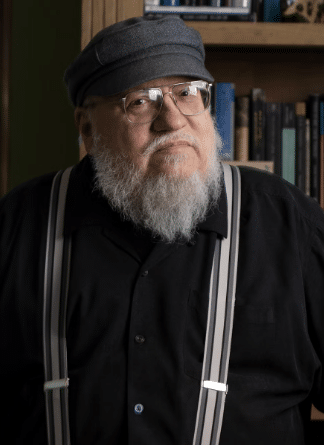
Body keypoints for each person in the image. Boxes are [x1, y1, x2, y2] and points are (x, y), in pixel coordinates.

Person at [0, 15, 323, 445]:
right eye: (141, 100)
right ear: (87, 127)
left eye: (188, 93)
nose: (172, 120)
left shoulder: (289, 223)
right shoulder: (17, 226)